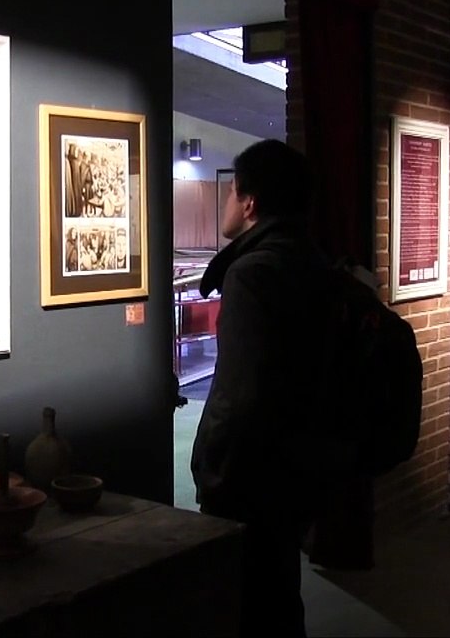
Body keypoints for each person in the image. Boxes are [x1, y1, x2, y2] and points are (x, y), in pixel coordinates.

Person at [190, 139, 330, 638]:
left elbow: (240, 394)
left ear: (249, 204)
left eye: (231, 193)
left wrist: (212, 469)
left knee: (248, 602)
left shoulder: (251, 274)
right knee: (279, 594)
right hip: (297, 462)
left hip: (251, 476)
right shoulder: (310, 259)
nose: (227, 203)